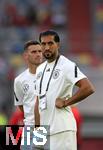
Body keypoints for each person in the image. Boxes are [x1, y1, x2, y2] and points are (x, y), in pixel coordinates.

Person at [35, 30, 95, 150]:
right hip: (46, 131)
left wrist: (66, 102)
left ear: (58, 45)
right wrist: (38, 132)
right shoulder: (40, 69)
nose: (46, 47)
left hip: (62, 130)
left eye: (50, 43)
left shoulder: (67, 65)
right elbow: (38, 102)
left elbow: (88, 87)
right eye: (43, 44)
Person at [14, 40, 43, 150]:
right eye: (34, 52)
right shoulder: (19, 80)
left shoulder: (50, 75)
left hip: (45, 127)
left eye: (40, 51)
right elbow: (21, 106)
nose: (38, 54)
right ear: (26, 56)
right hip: (28, 128)